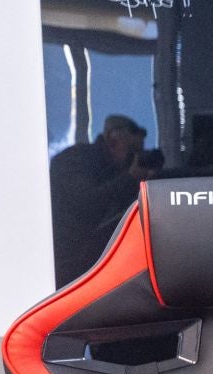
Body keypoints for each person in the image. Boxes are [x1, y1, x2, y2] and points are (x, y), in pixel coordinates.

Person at [49, 113, 155, 286]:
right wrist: (129, 178)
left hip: (96, 268)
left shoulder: (113, 172)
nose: (134, 159)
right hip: (67, 268)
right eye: (132, 151)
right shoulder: (75, 160)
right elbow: (85, 204)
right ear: (112, 139)